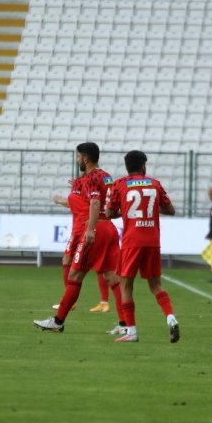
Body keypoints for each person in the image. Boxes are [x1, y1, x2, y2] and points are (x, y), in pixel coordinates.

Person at [33, 142, 124, 333]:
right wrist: (79, 186)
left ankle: (58, 321)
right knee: (111, 276)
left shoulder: (91, 177)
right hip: (109, 228)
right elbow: (104, 201)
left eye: (78, 156)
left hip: (94, 229)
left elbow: (95, 202)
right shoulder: (105, 176)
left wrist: (90, 230)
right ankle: (126, 325)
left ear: (85, 158)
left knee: (74, 275)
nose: (77, 160)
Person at [106, 150, 180, 343]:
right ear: (143, 166)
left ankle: (132, 332)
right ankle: (171, 318)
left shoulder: (120, 185)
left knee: (126, 285)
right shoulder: (155, 184)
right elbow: (171, 210)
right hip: (153, 241)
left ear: (127, 167)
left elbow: (109, 212)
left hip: (132, 242)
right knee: (156, 285)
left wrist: (124, 209)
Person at [52, 189, 113, 313]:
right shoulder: (90, 191)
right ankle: (104, 302)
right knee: (101, 265)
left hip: (80, 229)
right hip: (88, 227)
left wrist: (59, 200)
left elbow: (72, 203)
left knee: (68, 260)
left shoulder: (87, 189)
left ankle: (70, 302)